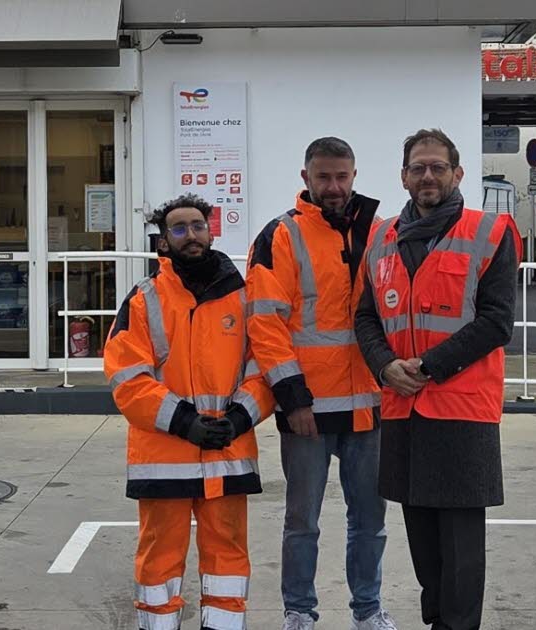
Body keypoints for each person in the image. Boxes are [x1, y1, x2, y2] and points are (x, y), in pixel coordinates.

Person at [354, 129, 520, 630]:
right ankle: (437, 620)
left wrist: (426, 368)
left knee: (462, 546)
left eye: (438, 167)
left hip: (461, 409)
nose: (428, 176)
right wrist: (385, 366)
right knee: (422, 533)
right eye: (418, 168)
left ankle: (457, 625)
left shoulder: (491, 231)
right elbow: (365, 317)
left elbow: (496, 322)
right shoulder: (381, 237)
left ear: (457, 174)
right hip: (403, 407)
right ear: (404, 176)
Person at [246, 137, 396, 630]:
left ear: (355, 176)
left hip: (369, 406)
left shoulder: (378, 232)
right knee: (301, 523)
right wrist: (292, 400)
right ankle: (299, 611)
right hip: (307, 408)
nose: (334, 187)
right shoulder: (281, 236)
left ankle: (368, 609)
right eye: (324, 177)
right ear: (306, 177)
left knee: (370, 523)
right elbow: (266, 324)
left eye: (343, 176)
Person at [105, 194, 275, 630]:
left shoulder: (243, 297)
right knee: (159, 560)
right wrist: (185, 422)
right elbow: (127, 378)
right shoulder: (144, 300)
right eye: (179, 229)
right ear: (163, 243)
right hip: (166, 459)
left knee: (228, 558)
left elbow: (265, 367)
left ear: (211, 231)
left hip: (227, 452)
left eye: (198, 225)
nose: (191, 235)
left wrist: (238, 419)